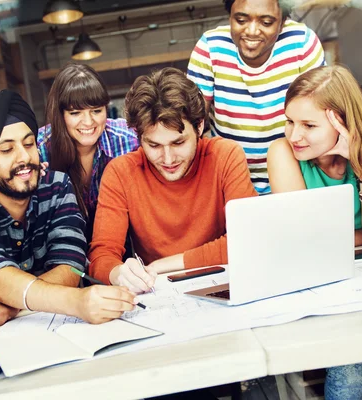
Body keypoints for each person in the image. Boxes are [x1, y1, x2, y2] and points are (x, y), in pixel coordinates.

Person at [266, 65, 362, 399]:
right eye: (290, 121)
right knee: (354, 361)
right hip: (320, 287)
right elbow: (307, 243)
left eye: (308, 125)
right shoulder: (283, 154)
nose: (294, 135)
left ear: (342, 123)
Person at [0, 89, 136, 329]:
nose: (24, 157)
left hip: (59, 328)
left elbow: (71, 266)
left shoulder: (56, 188)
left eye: (29, 144)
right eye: (7, 150)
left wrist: (10, 305)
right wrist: (77, 302)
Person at [88, 67, 257, 293]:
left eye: (178, 143)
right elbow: (101, 256)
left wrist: (160, 266)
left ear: (199, 127)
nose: (168, 159)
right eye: (154, 145)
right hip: (159, 294)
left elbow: (247, 238)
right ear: (138, 136)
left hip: (224, 284)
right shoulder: (120, 173)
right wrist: (119, 273)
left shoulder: (225, 156)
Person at [187, 0, 325, 195]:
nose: (251, 31)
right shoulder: (210, 47)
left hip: (296, 175)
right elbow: (193, 123)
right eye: (241, 20)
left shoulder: (302, 44)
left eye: (266, 22)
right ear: (230, 16)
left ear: (283, 21)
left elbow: (320, 117)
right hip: (231, 180)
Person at [36, 63, 139, 243]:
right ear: (60, 115)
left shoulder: (129, 138)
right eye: (75, 113)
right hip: (60, 247)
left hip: (122, 242)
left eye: (96, 111)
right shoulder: (39, 148)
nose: (88, 122)